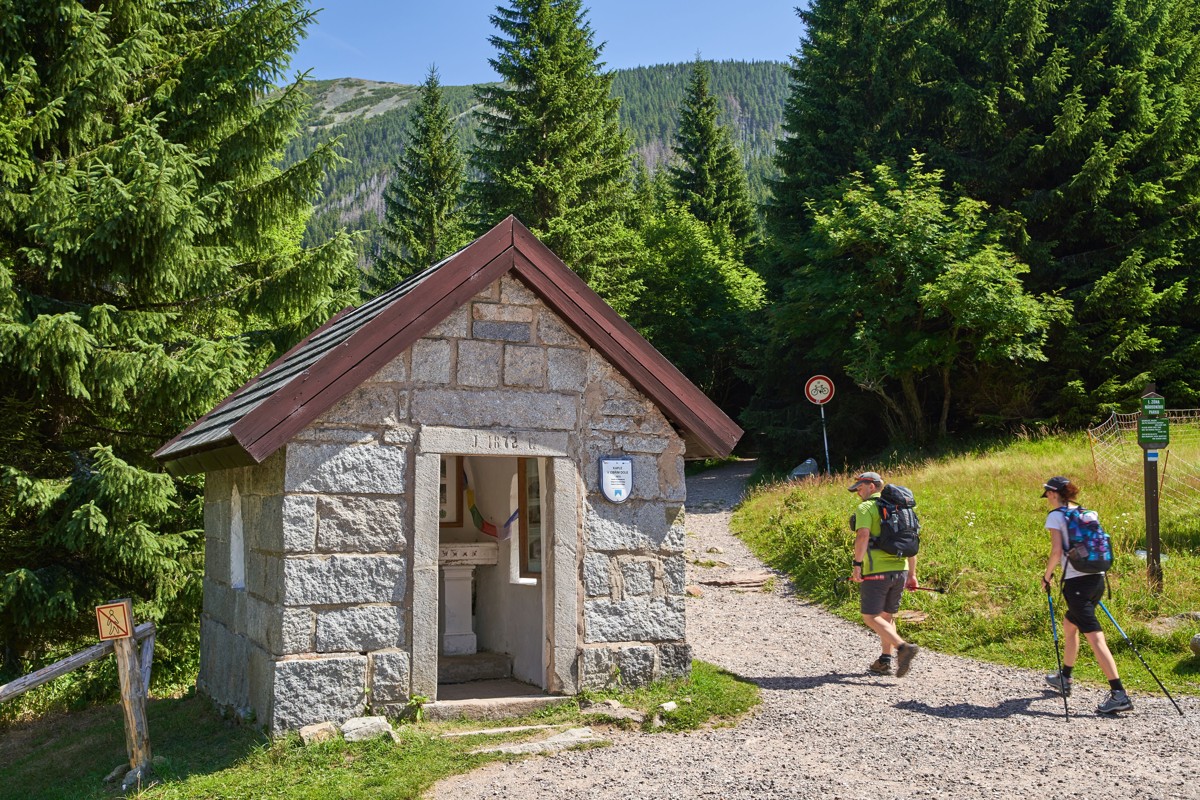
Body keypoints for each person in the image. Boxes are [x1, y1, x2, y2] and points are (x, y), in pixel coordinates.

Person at [1041, 475, 1133, 714]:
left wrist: (1047, 576)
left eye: (1048, 494)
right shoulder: (1089, 513)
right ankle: (1065, 677)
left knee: (1095, 638)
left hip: (1076, 583)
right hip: (1098, 579)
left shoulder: (1055, 516)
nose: (1047, 499)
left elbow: (1056, 551)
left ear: (1053, 493)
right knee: (1070, 624)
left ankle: (1119, 693)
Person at [849, 471, 920, 677]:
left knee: (870, 616)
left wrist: (857, 565)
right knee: (887, 617)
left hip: (877, 571)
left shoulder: (866, 507)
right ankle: (885, 661)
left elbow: (862, 536)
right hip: (901, 570)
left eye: (860, 487)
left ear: (872, 486)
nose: (858, 493)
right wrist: (912, 574)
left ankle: (902, 648)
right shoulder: (900, 508)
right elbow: (910, 542)